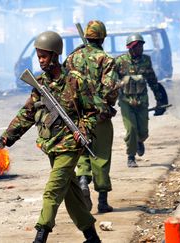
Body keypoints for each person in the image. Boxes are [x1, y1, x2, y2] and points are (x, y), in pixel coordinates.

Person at [0, 30, 101, 243]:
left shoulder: (74, 80)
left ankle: (41, 236)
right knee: (71, 193)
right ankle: (91, 237)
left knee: (52, 191)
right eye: (38, 56)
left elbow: (92, 111)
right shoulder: (40, 84)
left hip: (70, 146)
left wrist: (84, 131)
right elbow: (28, 113)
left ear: (55, 55)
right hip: (52, 145)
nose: (40, 60)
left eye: (44, 56)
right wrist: (7, 137)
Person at [64, 20, 118, 213]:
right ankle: (102, 201)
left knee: (83, 153)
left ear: (86, 36)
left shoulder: (72, 58)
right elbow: (111, 90)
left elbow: (64, 84)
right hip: (99, 116)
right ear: (102, 37)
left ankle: (84, 182)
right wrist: (105, 105)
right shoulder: (107, 60)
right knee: (101, 157)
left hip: (77, 116)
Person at [115, 33, 167, 168]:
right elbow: (112, 82)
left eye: (142, 46)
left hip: (142, 101)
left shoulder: (146, 61)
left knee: (143, 131)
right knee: (131, 129)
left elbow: (152, 80)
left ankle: (140, 141)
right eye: (138, 46)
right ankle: (131, 156)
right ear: (131, 48)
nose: (141, 49)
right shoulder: (120, 61)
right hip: (126, 102)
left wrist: (159, 99)